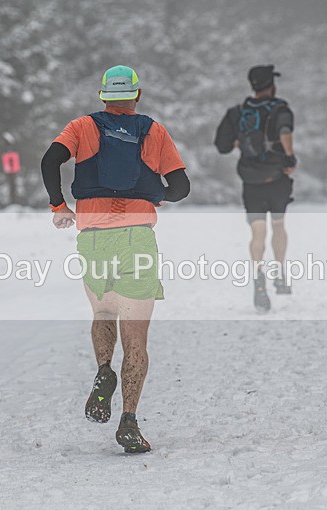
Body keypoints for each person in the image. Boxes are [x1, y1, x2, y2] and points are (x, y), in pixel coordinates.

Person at [41, 65, 190, 453]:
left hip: (92, 237)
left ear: (103, 95)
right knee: (136, 338)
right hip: (136, 238)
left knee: (103, 314)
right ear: (136, 96)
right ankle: (128, 421)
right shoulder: (153, 130)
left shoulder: (81, 127)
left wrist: (59, 204)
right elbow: (181, 186)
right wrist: (154, 195)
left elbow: (49, 161)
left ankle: (104, 371)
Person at [214, 64, 297, 313]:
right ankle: (280, 273)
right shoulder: (281, 108)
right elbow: (285, 131)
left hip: (251, 181)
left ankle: (258, 277)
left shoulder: (237, 112)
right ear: (272, 85)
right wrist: (290, 156)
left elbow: (222, 146)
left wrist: (240, 140)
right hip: (277, 178)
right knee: (279, 225)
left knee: (257, 232)